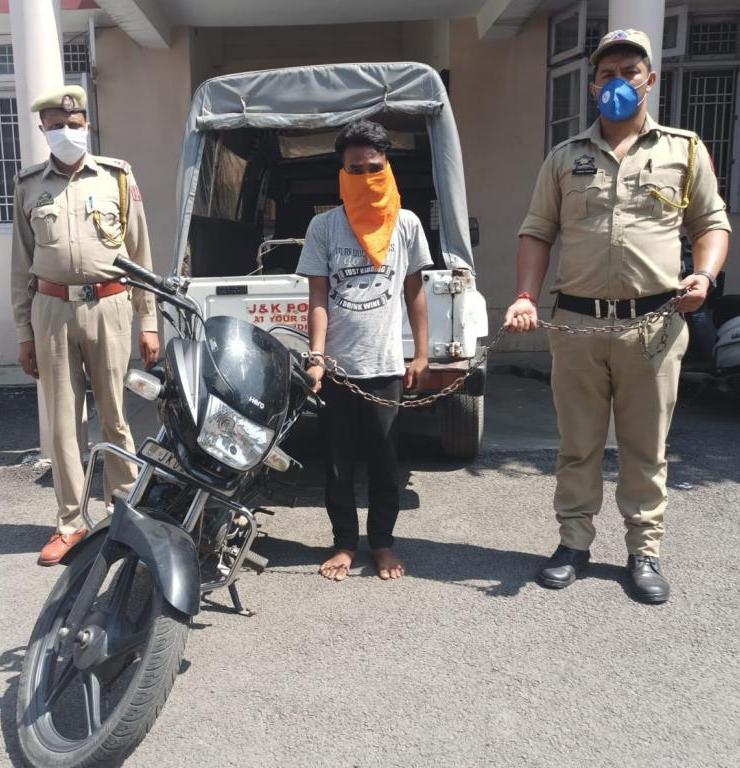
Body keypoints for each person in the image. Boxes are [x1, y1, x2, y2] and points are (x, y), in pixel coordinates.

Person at [505, 29, 730, 603]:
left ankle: (643, 551)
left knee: (645, 447)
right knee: (577, 445)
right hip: (577, 325)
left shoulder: (684, 150)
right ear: (593, 85)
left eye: (629, 71)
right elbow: (537, 231)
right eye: (606, 74)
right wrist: (526, 295)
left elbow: (711, 224)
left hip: (654, 326)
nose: (617, 82)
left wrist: (704, 276)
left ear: (649, 80)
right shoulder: (564, 158)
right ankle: (573, 544)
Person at [11, 85, 159, 566]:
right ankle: (70, 523)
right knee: (63, 423)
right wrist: (25, 333)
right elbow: (21, 266)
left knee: (115, 414)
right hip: (52, 311)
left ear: (87, 126)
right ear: (43, 130)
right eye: (56, 126)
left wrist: (149, 321)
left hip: (110, 306)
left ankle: (124, 512)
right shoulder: (29, 184)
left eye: (73, 125)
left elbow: (140, 254)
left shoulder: (117, 176)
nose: (66, 132)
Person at [297, 119, 432, 582]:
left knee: (384, 464)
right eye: (355, 169)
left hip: (385, 368)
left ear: (387, 165)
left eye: (374, 167)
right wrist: (317, 357)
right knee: (338, 465)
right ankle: (343, 544)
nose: (366, 176)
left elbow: (414, 292)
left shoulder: (406, 224)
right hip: (337, 370)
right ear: (342, 172)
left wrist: (421, 354)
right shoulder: (324, 227)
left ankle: (382, 543)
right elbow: (318, 297)